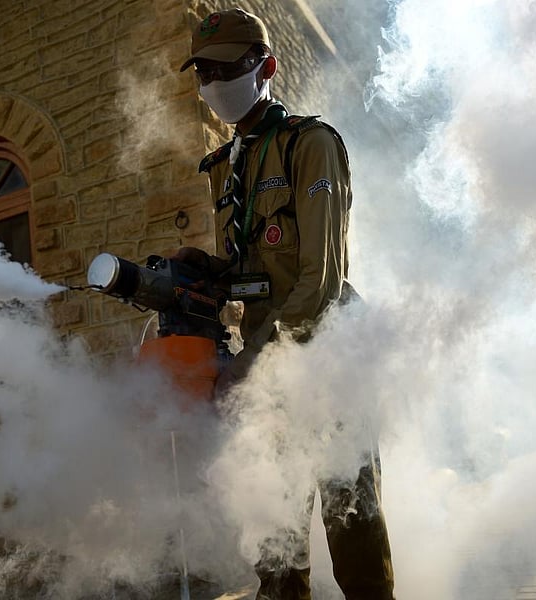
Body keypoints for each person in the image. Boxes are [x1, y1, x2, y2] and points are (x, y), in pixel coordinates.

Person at [172, 8, 395, 600]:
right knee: (276, 537)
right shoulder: (226, 167)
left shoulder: (311, 145)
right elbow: (256, 275)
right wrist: (211, 271)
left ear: (265, 67)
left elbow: (318, 282)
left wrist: (253, 364)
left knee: (351, 524)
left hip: (328, 355)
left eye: (226, 68)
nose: (213, 83)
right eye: (203, 72)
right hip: (268, 362)